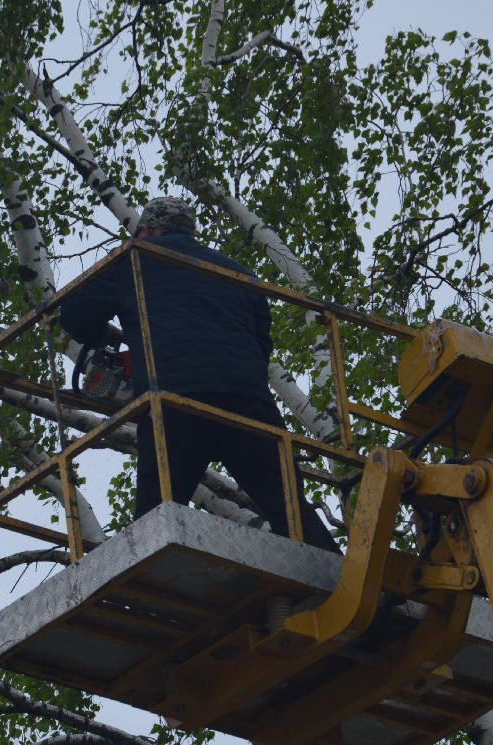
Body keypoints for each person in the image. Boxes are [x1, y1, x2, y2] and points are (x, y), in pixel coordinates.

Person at [59, 197, 339, 552]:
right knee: (292, 510)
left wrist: (111, 337)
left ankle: (154, 594)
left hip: (175, 404)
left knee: (156, 519)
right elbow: (261, 345)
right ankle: (350, 586)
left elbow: (75, 314)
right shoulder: (239, 274)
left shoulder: (136, 257)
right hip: (249, 402)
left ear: (147, 230)